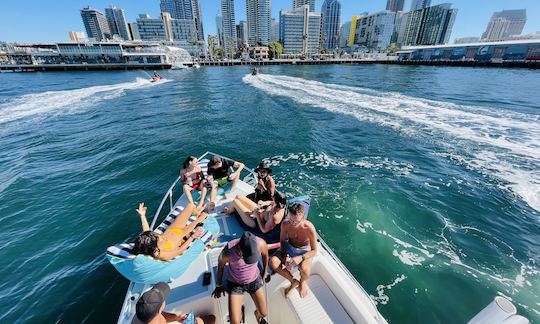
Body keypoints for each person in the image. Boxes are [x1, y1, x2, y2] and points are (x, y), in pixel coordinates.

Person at [212, 232, 269, 324]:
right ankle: (239, 313)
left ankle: (257, 315)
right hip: (235, 284)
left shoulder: (261, 243)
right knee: (234, 322)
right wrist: (219, 285)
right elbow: (220, 266)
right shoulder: (228, 251)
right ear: (240, 248)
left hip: (254, 280)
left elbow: (265, 256)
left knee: (264, 313)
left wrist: (264, 272)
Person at [269, 203, 317, 298]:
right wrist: (285, 255)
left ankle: (302, 282)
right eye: (291, 219)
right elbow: (282, 241)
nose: (292, 223)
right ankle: (293, 281)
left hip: (304, 251)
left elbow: (314, 251)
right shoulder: (285, 224)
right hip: (289, 248)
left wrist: (300, 258)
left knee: (305, 271)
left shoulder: (309, 228)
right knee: (273, 262)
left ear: (303, 218)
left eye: (296, 221)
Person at [132, 202, 207, 261]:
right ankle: (198, 214)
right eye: (159, 239)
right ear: (152, 247)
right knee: (204, 215)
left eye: (159, 236)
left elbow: (147, 231)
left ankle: (196, 213)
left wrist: (142, 215)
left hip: (173, 228)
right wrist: (192, 237)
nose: (162, 237)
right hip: (183, 233)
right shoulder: (161, 254)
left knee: (190, 206)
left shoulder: (151, 241)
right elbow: (180, 250)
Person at [132, 282, 215, 324]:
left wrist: (175, 318)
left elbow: (159, 317)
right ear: (159, 309)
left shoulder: (142, 314)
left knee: (210, 319)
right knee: (208, 320)